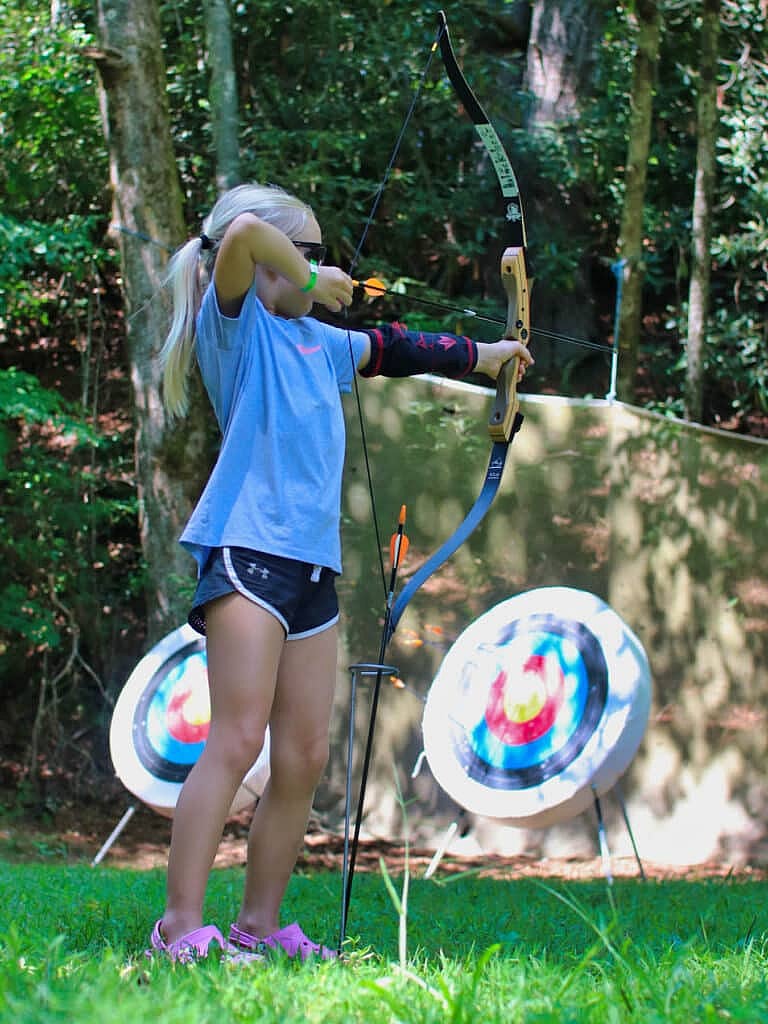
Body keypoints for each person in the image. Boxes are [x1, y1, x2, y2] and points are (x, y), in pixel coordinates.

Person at [148, 183, 533, 964]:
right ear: (266, 270)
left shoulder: (323, 346)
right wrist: (305, 273)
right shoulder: (237, 327)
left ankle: (259, 924)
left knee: (303, 752)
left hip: (310, 569)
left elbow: (401, 347)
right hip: (248, 553)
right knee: (236, 736)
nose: (327, 272)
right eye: (311, 255)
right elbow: (247, 231)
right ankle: (180, 928)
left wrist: (491, 357)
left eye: (325, 257)